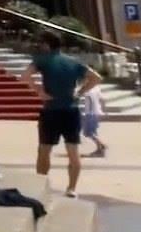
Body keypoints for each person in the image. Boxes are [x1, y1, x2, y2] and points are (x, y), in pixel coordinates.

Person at [26, 31, 103, 198]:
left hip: (51, 110)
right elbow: (96, 78)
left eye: (41, 43)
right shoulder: (73, 62)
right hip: (71, 110)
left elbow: (25, 76)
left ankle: (42, 185)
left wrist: (39, 91)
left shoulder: (42, 60)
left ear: (47, 44)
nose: (39, 46)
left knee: (44, 150)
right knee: (73, 151)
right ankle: (71, 188)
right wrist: (79, 92)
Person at [81, 83, 109, 159]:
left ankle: (102, 146)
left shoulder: (88, 89)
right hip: (96, 112)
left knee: (88, 132)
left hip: (90, 113)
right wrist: (104, 110)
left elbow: (87, 97)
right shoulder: (96, 87)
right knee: (92, 132)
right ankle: (99, 149)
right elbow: (102, 100)